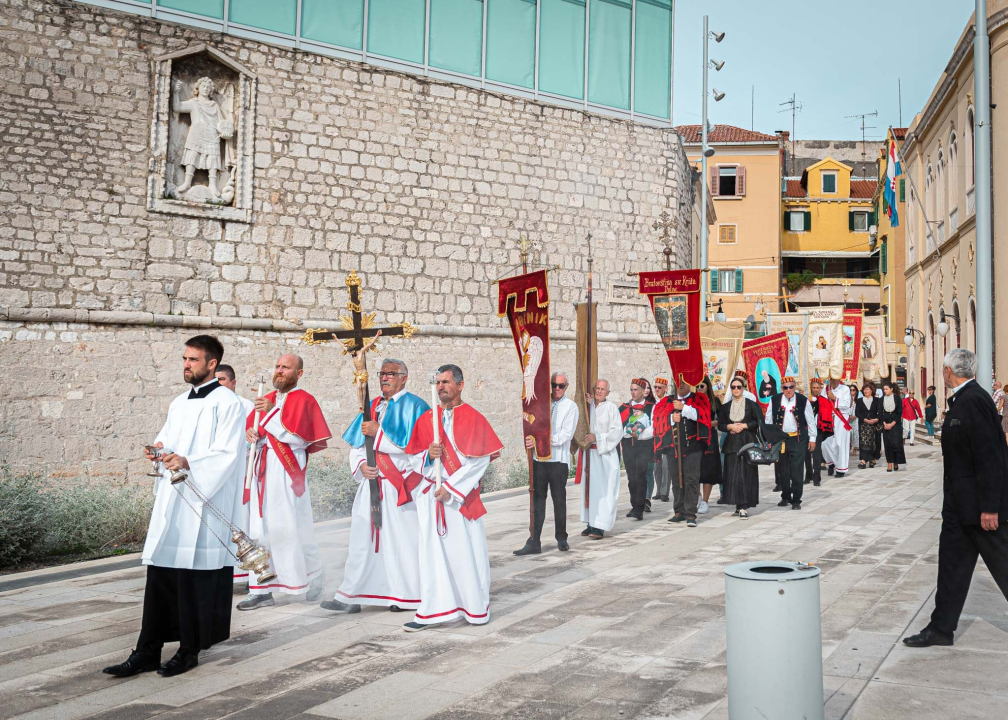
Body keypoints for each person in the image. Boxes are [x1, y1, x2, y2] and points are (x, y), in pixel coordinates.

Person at [103, 336, 245, 679]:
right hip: (174, 498)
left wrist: (189, 461)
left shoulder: (229, 403)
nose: (186, 364)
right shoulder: (179, 401)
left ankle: (189, 650)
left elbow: (228, 454)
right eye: (184, 358)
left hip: (203, 501)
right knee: (162, 575)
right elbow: (166, 439)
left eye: (193, 359)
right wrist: (157, 449)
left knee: (194, 579)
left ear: (212, 364)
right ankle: (147, 650)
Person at [904, 349, 1008, 648]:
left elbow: (990, 457)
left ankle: (940, 628)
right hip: (958, 505)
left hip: (979, 508)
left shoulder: (974, 400)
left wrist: (990, 507)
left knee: (1004, 564)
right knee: (952, 567)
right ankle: (941, 628)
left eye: (943, 369)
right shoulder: (964, 399)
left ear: (949, 370)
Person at [322, 358, 430, 614]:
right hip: (371, 483)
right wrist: (361, 466)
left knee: (400, 542)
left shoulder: (417, 406)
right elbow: (357, 446)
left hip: (398, 486)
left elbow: (416, 449)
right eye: (382, 373)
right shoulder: (371, 406)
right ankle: (351, 594)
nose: (384, 378)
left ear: (404, 377)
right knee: (362, 540)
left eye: (391, 374)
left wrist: (379, 432)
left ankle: (402, 596)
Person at [402, 364, 503, 630]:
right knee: (432, 556)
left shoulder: (474, 418)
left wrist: (452, 488)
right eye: (438, 383)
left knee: (465, 554)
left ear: (460, 385)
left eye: (446, 382)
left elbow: (479, 462)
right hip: (432, 496)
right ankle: (434, 609)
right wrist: (427, 456)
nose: (441, 387)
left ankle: (473, 608)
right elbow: (412, 458)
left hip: (458, 499)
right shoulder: (427, 419)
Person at [239, 354, 330, 610]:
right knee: (259, 529)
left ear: (298, 373)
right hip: (262, 470)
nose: (279, 371)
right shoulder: (266, 399)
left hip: (288, 472)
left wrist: (271, 415)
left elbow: (300, 439)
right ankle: (260, 588)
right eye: (278, 366)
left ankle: (314, 574)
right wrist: (251, 434)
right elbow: (254, 434)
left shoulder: (305, 400)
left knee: (294, 526)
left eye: (285, 367)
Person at [514, 371, 578, 555]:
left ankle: (562, 537)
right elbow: (531, 425)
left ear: (567, 387)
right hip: (539, 459)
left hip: (558, 460)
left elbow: (565, 436)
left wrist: (541, 440)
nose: (557, 389)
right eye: (554, 385)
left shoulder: (571, 407)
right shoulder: (540, 403)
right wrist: (529, 439)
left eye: (561, 386)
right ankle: (534, 540)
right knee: (537, 501)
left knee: (559, 499)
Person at [215, 363, 255, 587]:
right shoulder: (210, 404)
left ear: (233, 383)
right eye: (215, 379)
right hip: (217, 474)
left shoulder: (245, 405)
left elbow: (252, 437)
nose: (218, 384)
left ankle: (246, 572)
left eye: (221, 379)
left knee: (241, 520)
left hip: (240, 471)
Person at [578, 379, 625, 539]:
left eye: (602, 389)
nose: (599, 391)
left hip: (605, 455)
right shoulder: (589, 406)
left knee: (604, 491)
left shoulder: (611, 408)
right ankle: (591, 523)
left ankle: (600, 526)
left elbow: (617, 432)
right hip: (589, 455)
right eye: (597, 388)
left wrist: (597, 437)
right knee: (590, 490)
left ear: (608, 392)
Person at [764, 376, 816, 510]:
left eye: (791, 387)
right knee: (783, 470)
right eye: (785, 387)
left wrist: (812, 439)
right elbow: (769, 420)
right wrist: (769, 439)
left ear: (795, 387)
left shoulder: (803, 400)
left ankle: (796, 499)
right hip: (781, 440)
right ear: (782, 388)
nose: (788, 390)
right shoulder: (774, 400)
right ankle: (785, 496)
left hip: (798, 439)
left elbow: (810, 421)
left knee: (797, 470)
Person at [666, 379, 711, 528]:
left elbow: (702, 415)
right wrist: (671, 418)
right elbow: (659, 419)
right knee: (676, 480)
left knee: (691, 480)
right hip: (674, 448)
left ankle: (690, 513)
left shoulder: (698, 398)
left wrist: (683, 407)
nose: (681, 386)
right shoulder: (669, 400)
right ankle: (679, 511)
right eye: (679, 383)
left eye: (684, 383)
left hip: (693, 447)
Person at [718, 378, 761, 519]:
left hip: (747, 442)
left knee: (745, 474)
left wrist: (744, 426)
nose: (736, 389)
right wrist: (730, 427)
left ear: (743, 389)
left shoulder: (751, 405)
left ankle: (744, 505)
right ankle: (737, 504)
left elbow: (759, 421)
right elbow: (721, 424)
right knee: (732, 474)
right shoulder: (725, 407)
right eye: (733, 387)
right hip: (732, 444)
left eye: (739, 387)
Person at [619, 378, 654, 521]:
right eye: (631, 390)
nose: (633, 393)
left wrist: (639, 434)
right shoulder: (623, 408)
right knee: (631, 477)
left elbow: (654, 427)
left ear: (642, 391)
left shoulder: (651, 407)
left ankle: (639, 508)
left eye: (636, 390)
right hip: (628, 446)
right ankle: (634, 505)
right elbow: (619, 427)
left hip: (644, 446)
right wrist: (628, 433)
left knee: (640, 475)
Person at [697, 376, 722, 514]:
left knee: (708, 470)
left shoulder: (714, 401)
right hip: (696, 438)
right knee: (695, 469)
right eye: (697, 386)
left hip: (710, 438)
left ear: (707, 386)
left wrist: (706, 423)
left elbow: (720, 420)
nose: (699, 389)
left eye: (702, 386)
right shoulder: (693, 401)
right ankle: (698, 497)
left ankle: (705, 501)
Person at [821, 377, 853, 477]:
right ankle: (830, 463)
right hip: (828, 418)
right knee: (825, 443)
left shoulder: (845, 389)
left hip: (841, 419)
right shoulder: (825, 389)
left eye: (835, 379)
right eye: (831, 379)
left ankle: (841, 469)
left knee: (840, 444)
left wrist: (834, 398)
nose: (833, 381)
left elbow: (848, 404)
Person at [805, 378, 829, 486]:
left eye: (817, 388)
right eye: (813, 387)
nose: (815, 389)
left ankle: (817, 477)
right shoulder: (805, 399)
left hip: (818, 429)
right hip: (806, 429)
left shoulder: (824, 400)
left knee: (816, 454)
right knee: (806, 454)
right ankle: (808, 475)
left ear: (820, 389)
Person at [651, 376, 671, 503]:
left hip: (666, 436)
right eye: (655, 387)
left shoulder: (669, 402)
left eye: (659, 387)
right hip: (656, 437)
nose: (657, 389)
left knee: (666, 465)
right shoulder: (654, 404)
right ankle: (658, 490)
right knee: (656, 465)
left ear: (665, 389)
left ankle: (665, 492)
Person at [879, 380, 907, 472]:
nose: (885, 391)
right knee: (887, 444)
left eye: (887, 389)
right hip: (885, 423)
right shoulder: (881, 399)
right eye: (884, 389)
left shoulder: (897, 398)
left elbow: (899, 413)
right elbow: (880, 413)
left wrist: (892, 424)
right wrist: (884, 424)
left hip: (895, 424)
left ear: (891, 389)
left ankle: (896, 462)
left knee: (896, 444)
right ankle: (889, 463)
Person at [854, 381, 881, 470]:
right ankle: (863, 460)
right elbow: (857, 413)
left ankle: (872, 458)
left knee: (873, 443)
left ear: (871, 390)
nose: (866, 391)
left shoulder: (877, 400)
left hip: (874, 425)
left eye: (867, 389)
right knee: (864, 443)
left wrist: (876, 419)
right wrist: (865, 420)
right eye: (864, 389)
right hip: (863, 425)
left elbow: (880, 412)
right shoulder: (859, 401)